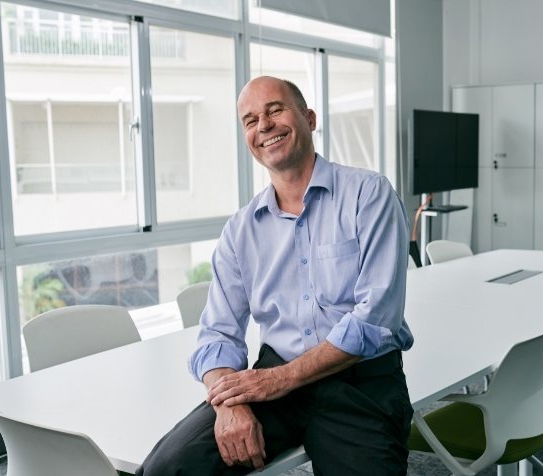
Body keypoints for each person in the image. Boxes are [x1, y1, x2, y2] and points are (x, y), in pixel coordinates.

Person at [136, 76, 414, 476]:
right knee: (167, 469)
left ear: (309, 118)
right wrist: (230, 405)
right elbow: (217, 334)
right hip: (272, 380)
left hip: (359, 384)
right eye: (250, 120)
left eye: (275, 110)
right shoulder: (240, 230)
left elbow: (375, 320)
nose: (263, 125)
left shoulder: (369, 195)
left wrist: (278, 380)